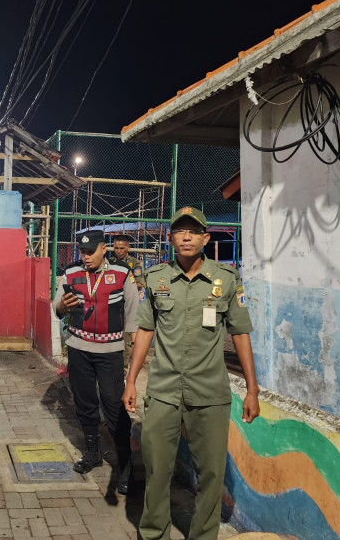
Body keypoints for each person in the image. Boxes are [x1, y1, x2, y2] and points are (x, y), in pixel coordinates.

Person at [123, 206, 260, 540]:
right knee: (156, 468)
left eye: (194, 231)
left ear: (205, 238)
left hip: (210, 392)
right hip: (164, 390)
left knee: (211, 473)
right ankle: (154, 532)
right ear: (170, 238)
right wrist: (130, 380)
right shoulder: (155, 279)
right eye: (180, 231)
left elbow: (240, 333)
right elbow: (144, 330)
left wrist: (253, 390)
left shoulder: (225, 281)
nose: (186, 236)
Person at [54, 229, 138, 494]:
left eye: (91, 251)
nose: (86, 256)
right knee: (85, 402)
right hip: (78, 348)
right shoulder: (70, 273)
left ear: (105, 249)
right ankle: (92, 453)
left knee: (114, 406)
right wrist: (63, 307)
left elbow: (134, 315)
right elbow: (56, 309)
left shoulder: (123, 274)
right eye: (82, 251)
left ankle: (126, 466)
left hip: (110, 351)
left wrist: (133, 351)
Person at [111, 234, 146, 370]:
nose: (118, 251)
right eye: (116, 248)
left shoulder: (134, 264)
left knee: (125, 338)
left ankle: (123, 368)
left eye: (121, 248)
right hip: (112, 304)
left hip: (127, 305)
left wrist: (120, 285)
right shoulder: (109, 262)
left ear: (128, 248)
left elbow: (139, 284)